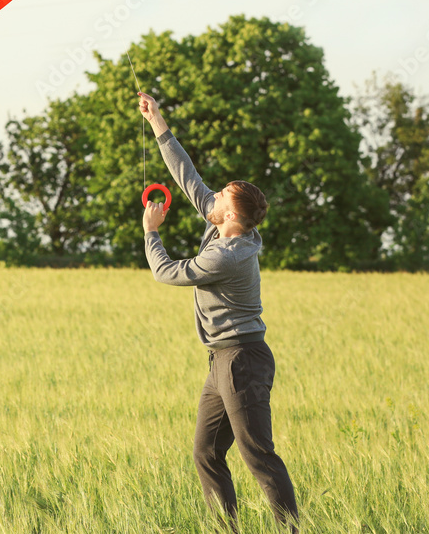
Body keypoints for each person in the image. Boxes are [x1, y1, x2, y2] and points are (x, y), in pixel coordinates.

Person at [138, 91, 299, 532]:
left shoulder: (227, 256)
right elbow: (188, 178)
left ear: (231, 214)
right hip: (221, 360)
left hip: (241, 360)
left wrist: (151, 232)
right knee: (207, 452)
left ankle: (291, 528)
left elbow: (169, 273)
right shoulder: (224, 226)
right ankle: (225, 528)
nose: (213, 196)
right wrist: (158, 122)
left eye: (222, 195)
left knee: (257, 454)